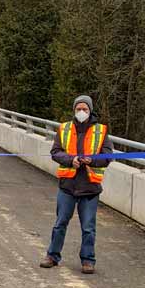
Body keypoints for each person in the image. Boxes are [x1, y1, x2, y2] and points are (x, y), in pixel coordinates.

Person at [40, 94, 113, 275]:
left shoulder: (101, 131)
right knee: (60, 223)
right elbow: (56, 152)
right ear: (74, 110)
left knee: (88, 227)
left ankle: (88, 260)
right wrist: (70, 159)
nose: (81, 112)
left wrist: (92, 160)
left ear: (90, 110)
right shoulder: (64, 128)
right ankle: (52, 256)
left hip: (90, 188)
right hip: (68, 186)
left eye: (85, 109)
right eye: (78, 109)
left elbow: (108, 156)